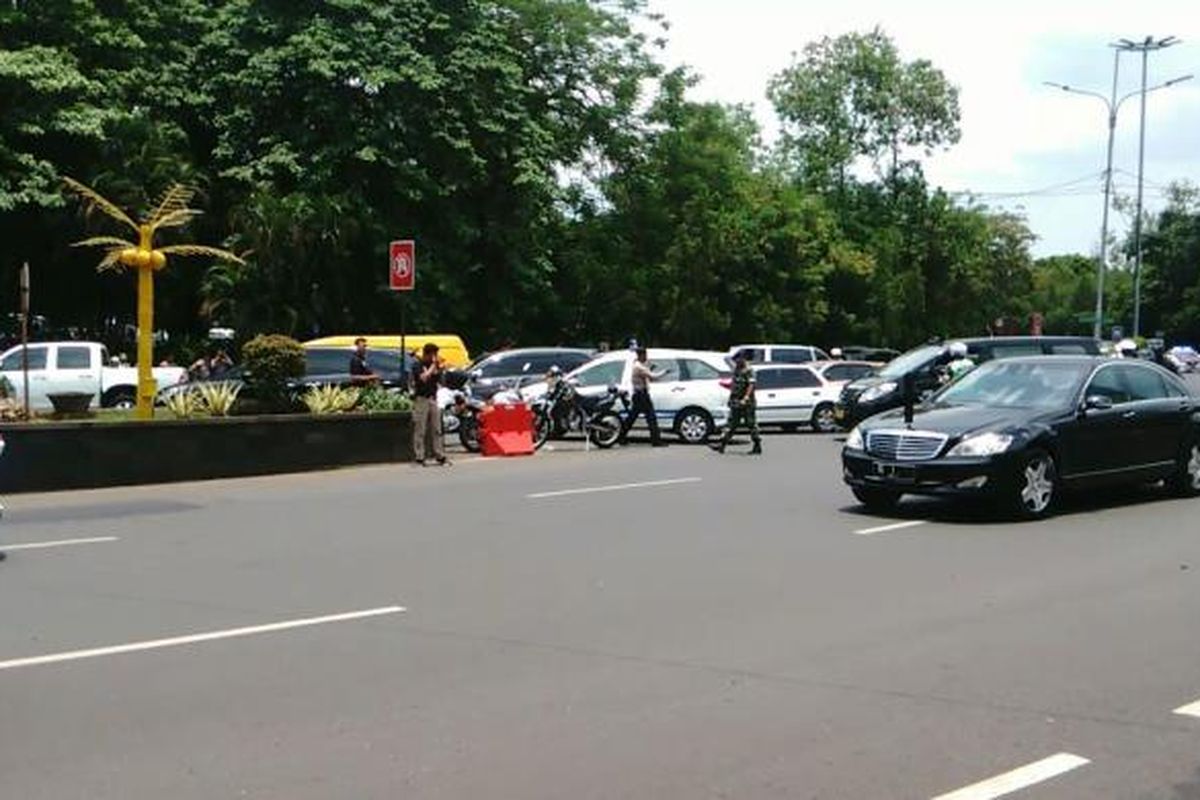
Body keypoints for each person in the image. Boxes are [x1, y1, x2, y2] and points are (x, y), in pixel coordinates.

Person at [711, 353, 761, 455]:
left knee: (751, 424)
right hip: (735, 401)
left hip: (747, 403)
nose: (736, 362)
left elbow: (751, 385)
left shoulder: (749, 370)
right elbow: (735, 383)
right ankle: (722, 445)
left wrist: (746, 397)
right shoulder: (736, 369)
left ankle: (757, 445)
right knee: (732, 423)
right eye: (736, 360)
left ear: (743, 359)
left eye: (738, 360)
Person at [620, 347, 667, 447]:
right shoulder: (638, 367)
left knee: (631, 418)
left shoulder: (638, 365)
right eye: (645, 355)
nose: (646, 357)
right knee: (651, 418)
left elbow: (647, 375)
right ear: (640, 355)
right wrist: (665, 372)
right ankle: (656, 441)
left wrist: (651, 368)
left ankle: (621, 437)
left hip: (639, 395)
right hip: (642, 396)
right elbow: (653, 377)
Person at [411, 343, 448, 466]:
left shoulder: (433, 366)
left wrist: (440, 369)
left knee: (437, 429)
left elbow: (440, 381)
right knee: (420, 429)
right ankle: (419, 457)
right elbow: (423, 378)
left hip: (433, 398)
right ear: (428, 354)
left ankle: (440, 455)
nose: (435, 357)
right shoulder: (417, 365)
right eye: (434, 354)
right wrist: (433, 366)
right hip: (421, 399)